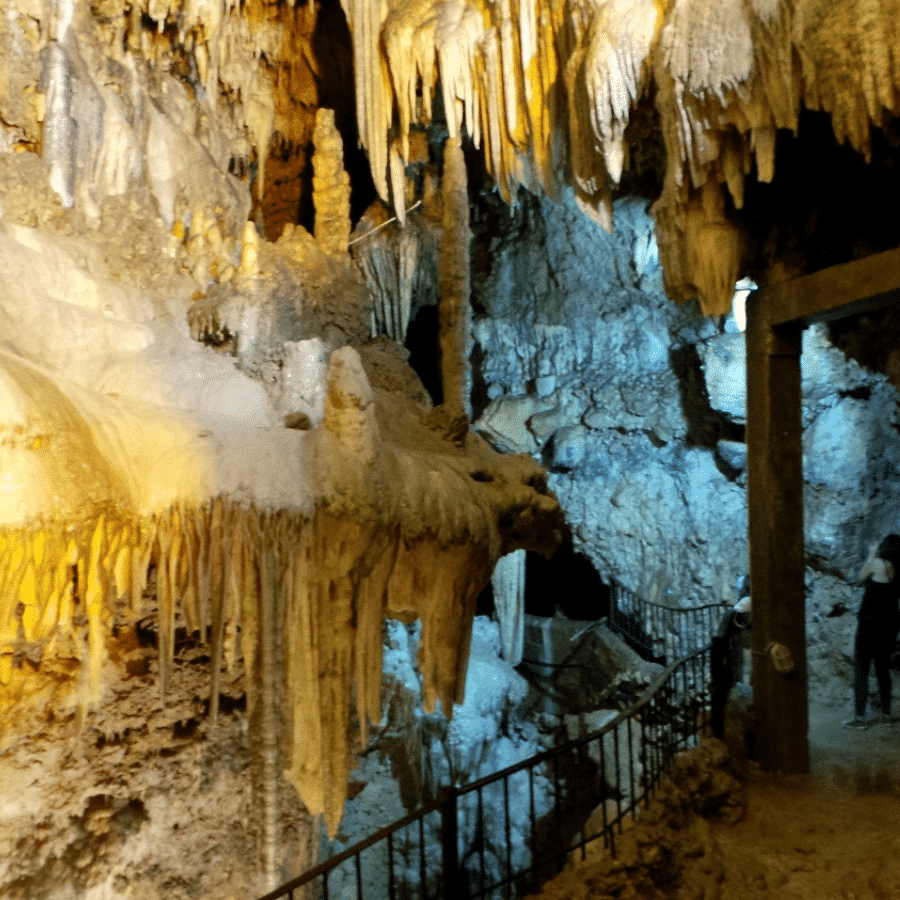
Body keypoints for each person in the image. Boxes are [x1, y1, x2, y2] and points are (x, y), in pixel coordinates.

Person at [842, 534, 900, 729]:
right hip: (889, 626)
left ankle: (860, 718)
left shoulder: (877, 564)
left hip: (869, 626)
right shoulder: (896, 570)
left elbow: (859, 579)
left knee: (862, 669)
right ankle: (886, 714)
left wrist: (871, 553)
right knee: (883, 669)